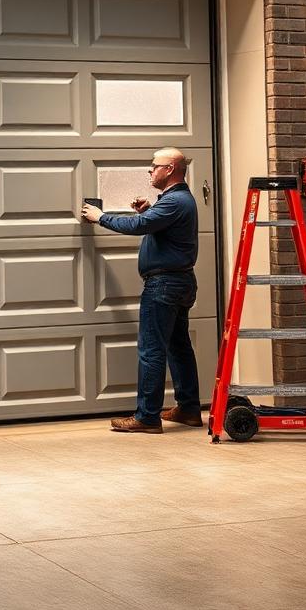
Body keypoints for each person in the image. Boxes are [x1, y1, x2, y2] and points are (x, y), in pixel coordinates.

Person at [81, 147, 202, 434]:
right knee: (179, 348)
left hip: (164, 286)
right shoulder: (176, 201)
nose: (150, 170)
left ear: (170, 169)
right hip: (179, 283)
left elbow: (138, 226)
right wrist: (149, 211)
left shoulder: (175, 201)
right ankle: (189, 408)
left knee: (152, 350)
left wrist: (101, 217)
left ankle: (147, 417)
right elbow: (156, 225)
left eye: (154, 166)